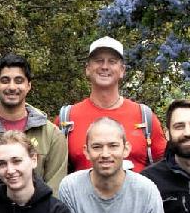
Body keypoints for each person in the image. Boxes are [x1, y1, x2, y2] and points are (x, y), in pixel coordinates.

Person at [0, 53, 69, 203]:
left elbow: (54, 190)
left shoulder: (52, 135)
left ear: (28, 85)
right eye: (5, 80)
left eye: (19, 81)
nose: (12, 87)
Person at [62, 37, 166, 172]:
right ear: (87, 68)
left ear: (122, 70)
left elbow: (166, 168)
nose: (104, 66)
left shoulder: (145, 117)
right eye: (99, 61)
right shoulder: (67, 119)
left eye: (112, 61)